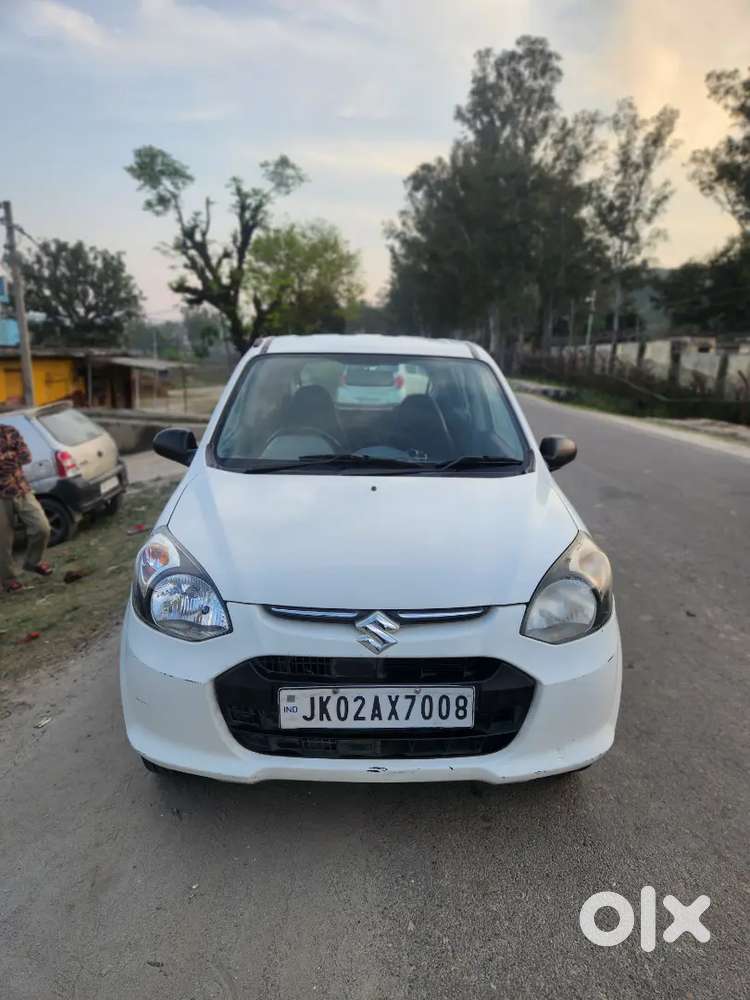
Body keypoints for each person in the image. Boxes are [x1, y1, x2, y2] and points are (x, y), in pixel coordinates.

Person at [0, 422, 53, 593]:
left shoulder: (9, 430)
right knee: (3, 542)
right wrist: (10, 457)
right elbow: (16, 459)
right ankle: (9, 580)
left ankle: (32, 562)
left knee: (42, 527)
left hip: (21, 489)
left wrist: (5, 460)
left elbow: (26, 457)